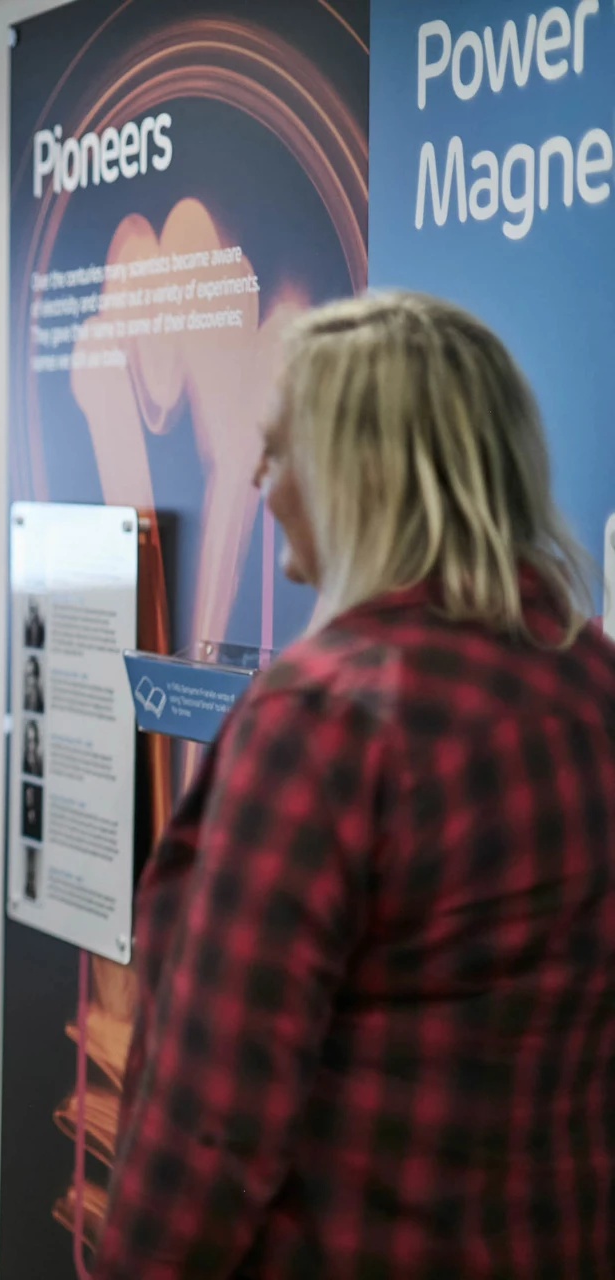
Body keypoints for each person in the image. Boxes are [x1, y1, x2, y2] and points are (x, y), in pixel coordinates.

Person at [94, 292, 615, 1277]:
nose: (259, 476)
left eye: (282, 448)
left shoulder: (324, 721)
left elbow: (211, 1122)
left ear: (358, 472)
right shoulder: (596, 684)